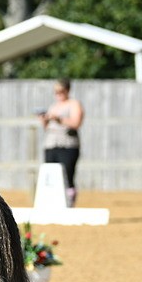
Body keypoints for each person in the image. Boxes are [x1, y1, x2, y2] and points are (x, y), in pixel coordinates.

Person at [39, 78, 84, 207]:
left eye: (60, 91)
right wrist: (44, 120)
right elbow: (47, 127)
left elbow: (76, 123)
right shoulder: (53, 106)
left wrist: (59, 119)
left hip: (67, 145)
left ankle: (69, 203)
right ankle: (52, 203)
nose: (58, 94)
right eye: (56, 91)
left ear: (67, 90)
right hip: (51, 144)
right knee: (50, 175)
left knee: (67, 175)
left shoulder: (74, 104)